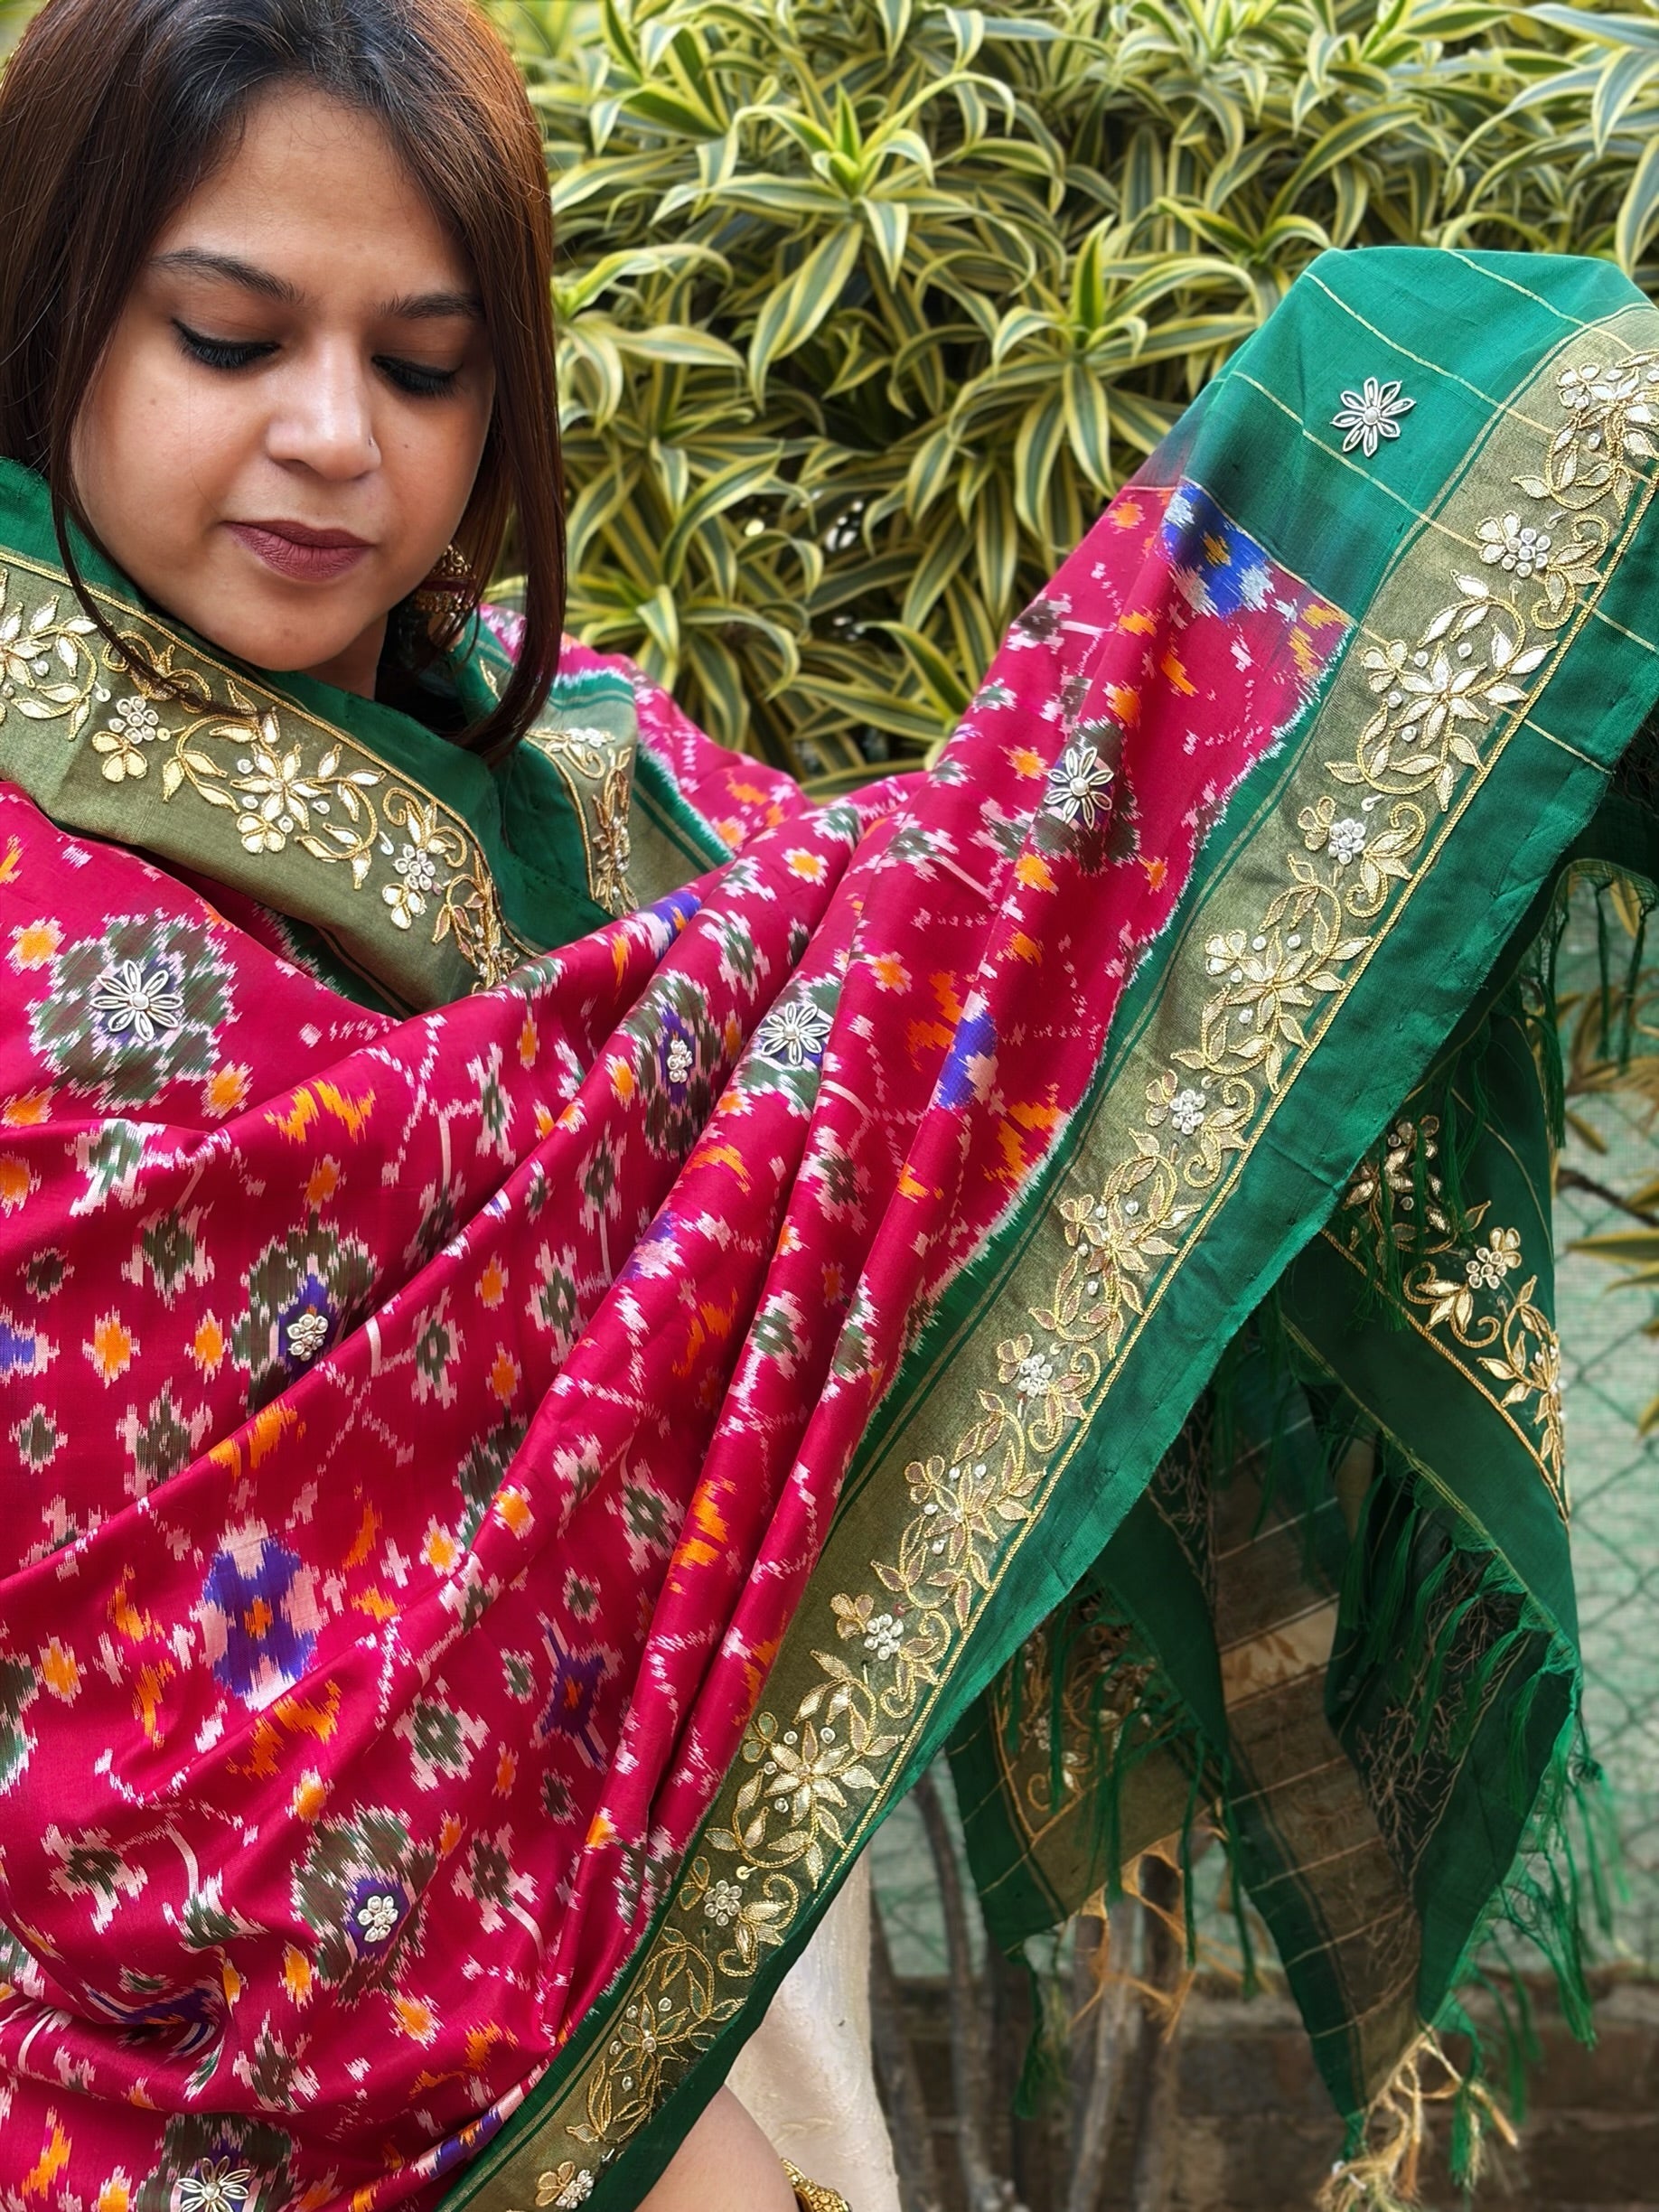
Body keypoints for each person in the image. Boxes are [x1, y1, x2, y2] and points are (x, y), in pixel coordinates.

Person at [0, 4, 1652, 2209]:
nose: (331, 437)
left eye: (422, 367)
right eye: (225, 338)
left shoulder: (586, 803)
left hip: (684, 2008)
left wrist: (1428, 478)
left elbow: (984, 951)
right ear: (43, 322)